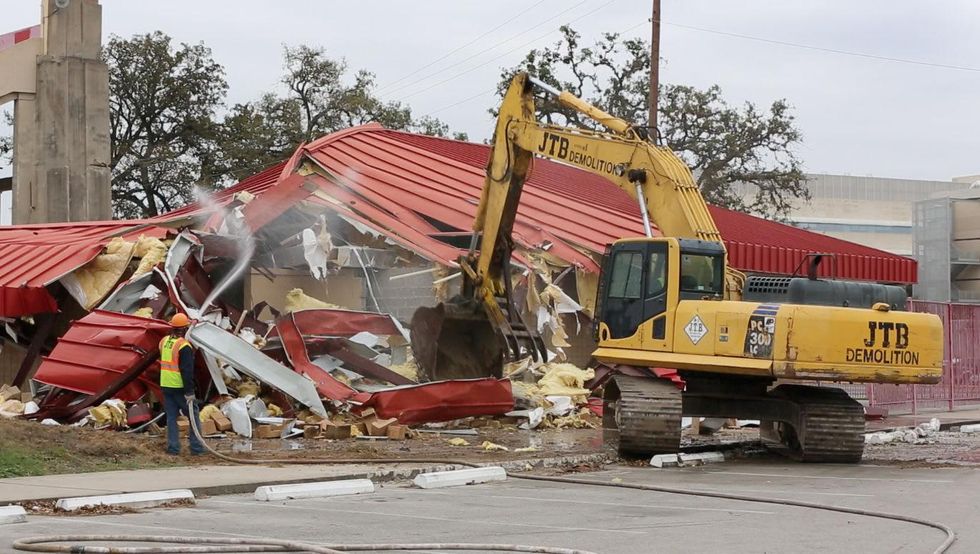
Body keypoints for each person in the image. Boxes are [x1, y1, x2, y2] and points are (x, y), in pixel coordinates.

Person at [159, 313, 205, 455]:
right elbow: (186, 371)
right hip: (179, 387)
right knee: (193, 416)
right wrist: (190, 392)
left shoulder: (164, 341)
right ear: (185, 329)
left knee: (171, 417)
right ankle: (196, 448)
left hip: (166, 385)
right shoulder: (184, 346)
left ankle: (173, 449)